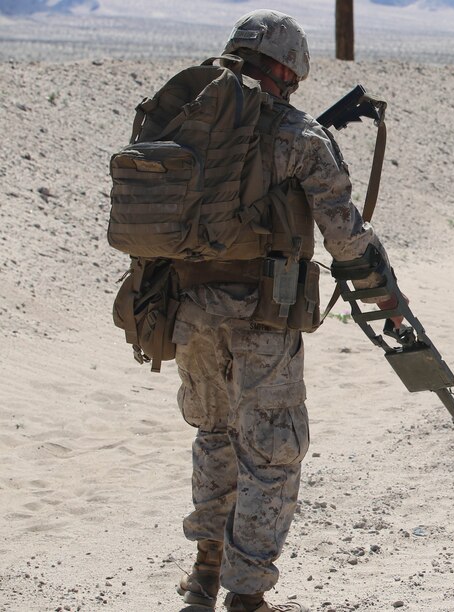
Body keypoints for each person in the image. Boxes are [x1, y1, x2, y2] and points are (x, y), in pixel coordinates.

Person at [171, 10, 397, 612]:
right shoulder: (299, 135)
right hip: (261, 314)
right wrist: (385, 291)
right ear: (287, 69)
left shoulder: (182, 119)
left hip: (187, 310)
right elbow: (345, 237)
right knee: (271, 450)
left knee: (214, 437)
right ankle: (245, 596)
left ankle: (204, 573)